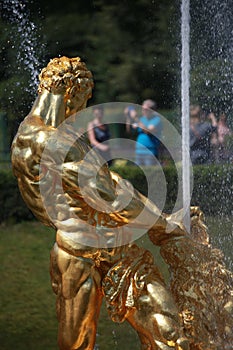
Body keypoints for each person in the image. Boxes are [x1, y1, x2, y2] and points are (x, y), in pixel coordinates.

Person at [11, 56, 189, 350]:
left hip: (107, 249)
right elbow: (113, 196)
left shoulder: (23, 138)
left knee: (166, 330)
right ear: (72, 92)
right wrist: (163, 224)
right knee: (80, 343)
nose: (80, 110)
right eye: (82, 101)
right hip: (81, 257)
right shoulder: (53, 141)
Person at [133, 99, 162, 166]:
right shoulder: (142, 119)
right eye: (142, 109)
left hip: (150, 152)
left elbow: (147, 131)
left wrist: (136, 118)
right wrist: (128, 116)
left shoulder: (156, 119)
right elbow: (129, 130)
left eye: (145, 109)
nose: (143, 111)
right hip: (139, 151)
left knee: (149, 174)